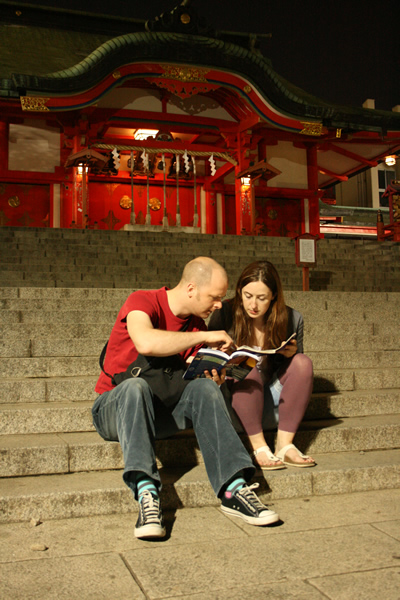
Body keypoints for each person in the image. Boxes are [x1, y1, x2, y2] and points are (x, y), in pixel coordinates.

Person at [92, 257, 279, 540]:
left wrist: (213, 378)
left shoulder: (193, 325)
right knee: (135, 388)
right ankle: (147, 494)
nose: (219, 305)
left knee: (204, 390)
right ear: (191, 288)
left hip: (162, 411)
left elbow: (188, 380)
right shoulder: (143, 301)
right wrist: (203, 335)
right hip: (115, 410)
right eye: (215, 297)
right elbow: (146, 342)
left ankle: (233, 489)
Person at [208, 260, 315, 471]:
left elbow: (296, 378)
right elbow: (210, 363)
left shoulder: (292, 318)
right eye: (247, 296)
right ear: (239, 291)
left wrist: (291, 355)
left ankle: (284, 445)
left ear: (274, 295)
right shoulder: (225, 313)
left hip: (272, 400)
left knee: (302, 363)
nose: (253, 305)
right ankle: (259, 447)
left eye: (262, 298)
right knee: (244, 364)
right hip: (236, 402)